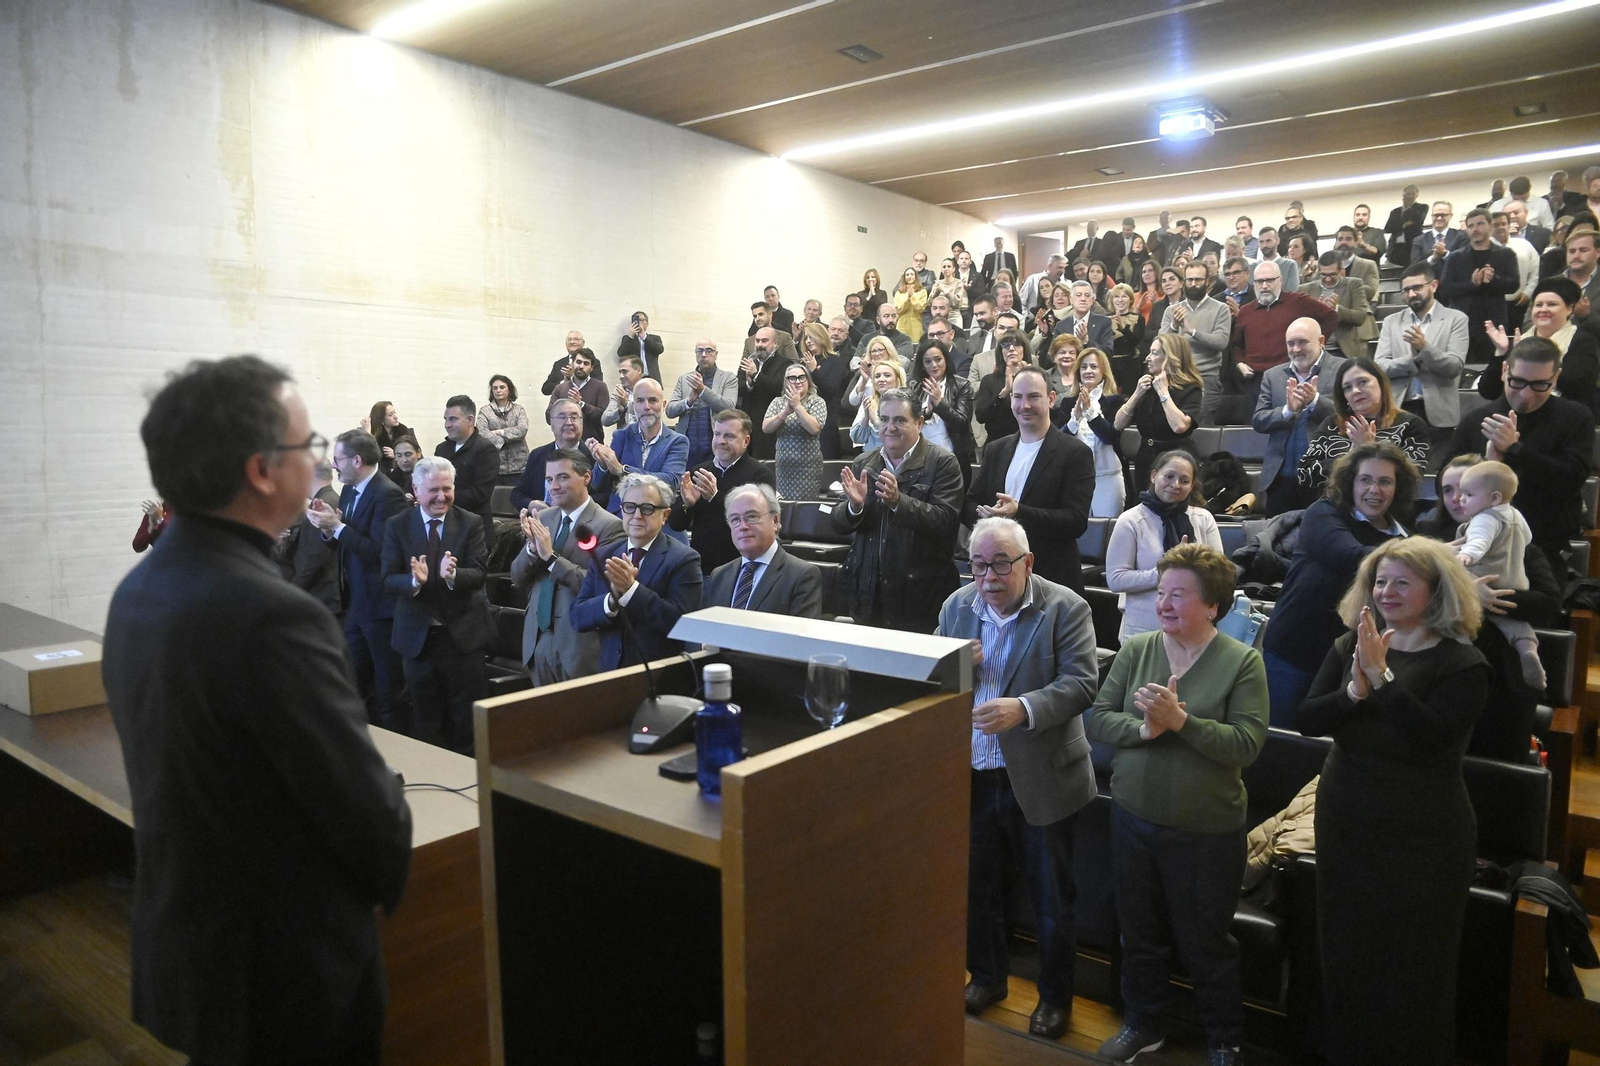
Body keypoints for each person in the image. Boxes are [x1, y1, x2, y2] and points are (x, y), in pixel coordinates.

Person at [103, 354, 411, 1066]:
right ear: (262, 471)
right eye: (307, 449)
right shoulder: (272, 615)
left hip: (191, 944)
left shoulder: (139, 589)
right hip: (281, 972)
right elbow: (372, 826)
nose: (319, 467)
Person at [1295, 537, 1488, 1066]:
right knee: (1345, 955)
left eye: (1403, 581)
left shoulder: (1462, 663)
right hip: (1348, 819)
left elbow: (1431, 741)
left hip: (1423, 833)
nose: (1387, 591)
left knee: (1414, 967)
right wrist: (1353, 691)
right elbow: (1307, 719)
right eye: (1380, 581)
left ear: (1435, 591)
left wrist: (1380, 678)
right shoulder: (1347, 647)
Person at [1084, 544, 1267, 1066]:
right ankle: (1144, 1025)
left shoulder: (1241, 661)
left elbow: (1247, 744)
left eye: (1178, 594)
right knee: (1138, 935)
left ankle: (1224, 1039)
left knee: (1206, 944)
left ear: (1213, 605)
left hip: (1205, 831)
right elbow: (1097, 718)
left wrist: (1182, 722)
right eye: (1161, 592)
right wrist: (1146, 728)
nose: (1164, 603)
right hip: (1133, 818)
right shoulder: (1139, 648)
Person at [938, 517, 1099, 1040]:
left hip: (1041, 775)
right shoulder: (955, 607)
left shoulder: (1066, 607)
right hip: (974, 771)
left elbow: (1081, 683)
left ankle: (1055, 999)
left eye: (1000, 564)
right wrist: (958, 665)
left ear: (1028, 563)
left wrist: (1024, 708)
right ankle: (987, 978)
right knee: (976, 888)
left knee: (1052, 897)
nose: (987, 576)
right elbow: (932, 671)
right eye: (978, 564)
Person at [1418, 453, 1562, 760]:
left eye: (1465, 488)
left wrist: (1487, 598)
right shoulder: (1427, 542)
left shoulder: (1518, 542)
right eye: (1447, 490)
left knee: (1496, 769)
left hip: (1502, 677)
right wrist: (1465, 591)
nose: (1457, 498)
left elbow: (1548, 603)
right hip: (1438, 671)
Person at [1262, 442, 1419, 722]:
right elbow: (1351, 555)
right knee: (1279, 744)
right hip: (1292, 652)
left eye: (1385, 482)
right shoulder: (1323, 512)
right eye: (1365, 480)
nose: (1374, 490)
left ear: (1398, 488)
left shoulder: (1404, 536)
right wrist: (1420, 555)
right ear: (1350, 482)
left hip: (1347, 663)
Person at [1445, 336, 1595, 573]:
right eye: (1518, 382)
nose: (1526, 394)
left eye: (1540, 385)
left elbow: (1570, 481)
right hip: (1477, 546)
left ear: (1555, 378)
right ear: (1505, 370)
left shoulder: (1575, 418)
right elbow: (1446, 485)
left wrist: (1515, 450)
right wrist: (1487, 466)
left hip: (1543, 546)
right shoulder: (1476, 421)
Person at [382, 456, 493, 755]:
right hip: (417, 639)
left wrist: (454, 576)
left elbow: (480, 571)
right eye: (433, 490)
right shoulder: (397, 525)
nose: (441, 496)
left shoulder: (470, 522)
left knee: (466, 720)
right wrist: (414, 583)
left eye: (447, 488)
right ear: (416, 490)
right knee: (425, 718)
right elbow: (389, 578)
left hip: (462, 637)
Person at [833, 388, 963, 631]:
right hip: (869, 592)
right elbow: (838, 523)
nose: (890, 427)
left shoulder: (943, 463)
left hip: (920, 596)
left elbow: (946, 521)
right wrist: (854, 506)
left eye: (900, 420)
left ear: (920, 423)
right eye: (884, 419)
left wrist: (898, 503)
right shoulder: (864, 462)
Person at [309, 428, 410, 730]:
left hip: (381, 608)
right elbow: (345, 543)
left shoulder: (388, 494)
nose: (335, 467)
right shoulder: (351, 490)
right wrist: (329, 529)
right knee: (354, 685)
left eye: (338, 460)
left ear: (356, 460)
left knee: (387, 689)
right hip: (355, 603)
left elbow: (381, 552)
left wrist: (337, 527)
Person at [965, 367, 1096, 592]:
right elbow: (968, 505)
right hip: (998, 576)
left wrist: (1018, 512)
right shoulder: (996, 449)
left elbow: (1075, 521)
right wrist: (987, 517)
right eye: (1018, 397)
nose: (1024, 405)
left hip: (1051, 579)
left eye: (1033, 397)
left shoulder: (1075, 453)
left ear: (1051, 399)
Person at [511, 448, 625, 686]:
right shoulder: (543, 519)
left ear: (586, 477)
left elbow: (600, 588)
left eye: (562, 477)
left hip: (578, 644)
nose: (554, 486)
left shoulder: (610, 526)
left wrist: (551, 557)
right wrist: (532, 550)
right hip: (538, 640)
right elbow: (517, 577)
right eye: (549, 479)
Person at [570, 473, 704, 670]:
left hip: (659, 676)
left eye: (647, 508)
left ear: (665, 515)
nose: (637, 516)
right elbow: (577, 616)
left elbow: (680, 623)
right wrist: (612, 599)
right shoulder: (604, 555)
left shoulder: (684, 559)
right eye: (630, 507)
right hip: (609, 674)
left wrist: (632, 590)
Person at [1106, 451, 1224, 639]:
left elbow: (1219, 573)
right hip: (1143, 629)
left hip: (1194, 625)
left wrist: (1193, 567)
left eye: (1184, 481)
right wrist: (1167, 571)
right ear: (1154, 476)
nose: (1175, 485)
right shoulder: (1131, 520)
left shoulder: (1203, 519)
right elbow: (1116, 579)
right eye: (1169, 476)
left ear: (1192, 485)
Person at [1450, 460, 1545, 688]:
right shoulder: (1515, 515)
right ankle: (1528, 650)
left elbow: (1478, 542)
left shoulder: (1484, 519)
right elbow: (1528, 538)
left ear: (1493, 498)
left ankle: (1462, 649)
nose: (1460, 498)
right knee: (1517, 626)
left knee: (1459, 618)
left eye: (1468, 494)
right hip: (1515, 583)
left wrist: (1467, 555)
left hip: (1485, 580)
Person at [1296, 357, 1429, 499]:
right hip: (1335, 509)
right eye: (1347, 387)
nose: (1355, 391)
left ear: (1381, 384)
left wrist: (1370, 450)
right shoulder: (1332, 424)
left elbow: (1412, 479)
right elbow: (1304, 474)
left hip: (1388, 511)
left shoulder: (1410, 424)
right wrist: (1352, 454)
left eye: (1363, 382)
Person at [1374, 263, 1470, 460]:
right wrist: (1413, 362)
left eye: (1417, 288)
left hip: (1438, 411)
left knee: (1433, 475)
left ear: (1433, 286)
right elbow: (1380, 366)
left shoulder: (1456, 319)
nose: (1411, 294)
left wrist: (1424, 348)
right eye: (1406, 290)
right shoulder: (1392, 321)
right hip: (1399, 408)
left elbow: (1454, 366)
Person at [1254, 318, 1344, 516]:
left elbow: (1349, 415)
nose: (1295, 349)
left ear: (1321, 341)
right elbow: (1259, 420)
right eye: (1290, 343)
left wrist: (1315, 402)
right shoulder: (1272, 375)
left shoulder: (1343, 370)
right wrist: (1287, 410)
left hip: (1326, 478)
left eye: (1302, 342)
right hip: (1280, 479)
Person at [668, 409, 775, 574]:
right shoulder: (699, 471)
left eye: (729, 436)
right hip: (702, 569)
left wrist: (715, 497)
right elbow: (676, 524)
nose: (721, 441)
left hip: (741, 569)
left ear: (746, 441)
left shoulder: (760, 474)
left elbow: (756, 525)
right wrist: (687, 505)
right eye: (717, 434)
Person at [703, 483, 823, 617]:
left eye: (752, 516)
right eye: (735, 519)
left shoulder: (801, 576)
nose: (742, 526)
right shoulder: (719, 575)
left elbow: (800, 636)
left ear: (775, 521)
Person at [1483, 277, 1599, 415]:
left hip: (1565, 418)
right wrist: (1501, 352)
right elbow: (1488, 391)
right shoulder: (1520, 341)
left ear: (1569, 309)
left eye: (1552, 304)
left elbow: (1579, 386)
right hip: (1515, 417)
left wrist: (1529, 360)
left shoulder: (1582, 340)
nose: (1543, 309)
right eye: (1538, 305)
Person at [589, 378, 690, 518]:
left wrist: (622, 469)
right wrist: (602, 464)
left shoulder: (677, 441)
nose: (646, 407)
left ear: (664, 404)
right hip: (622, 515)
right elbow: (596, 484)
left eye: (653, 400)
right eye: (640, 401)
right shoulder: (621, 436)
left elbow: (670, 480)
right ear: (633, 405)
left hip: (658, 516)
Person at [1113, 333, 1203, 490]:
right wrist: (1136, 394)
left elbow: (1179, 426)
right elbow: (1118, 424)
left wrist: (1163, 393)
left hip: (1177, 457)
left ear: (1170, 357)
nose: (1148, 357)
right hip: (1146, 456)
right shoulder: (1146, 385)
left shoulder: (1190, 387)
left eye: (1154, 353)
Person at [1439, 208, 1520, 369]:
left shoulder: (1506, 254)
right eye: (1470, 226)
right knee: (1461, 368)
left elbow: (1514, 285)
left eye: (1480, 224)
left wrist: (1492, 279)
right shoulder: (1456, 256)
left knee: (1494, 366)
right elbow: (1446, 288)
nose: (1475, 229)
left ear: (1490, 226)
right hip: (1463, 322)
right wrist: (1472, 284)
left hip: (1494, 321)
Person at [1159, 264, 1232, 422]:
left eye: (1198, 280)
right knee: (1173, 423)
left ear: (1207, 281)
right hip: (1176, 377)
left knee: (1202, 426)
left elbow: (1221, 341)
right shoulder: (1171, 311)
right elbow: (1161, 343)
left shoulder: (1221, 309)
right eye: (1189, 279)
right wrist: (1174, 326)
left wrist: (1192, 331)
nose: (1193, 284)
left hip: (1205, 377)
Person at [1060, 348, 1126, 517]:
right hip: (1076, 480)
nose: (1088, 371)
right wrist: (1074, 419)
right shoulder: (1068, 402)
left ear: (1103, 371)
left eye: (1093, 367)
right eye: (1084, 367)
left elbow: (1111, 437)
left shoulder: (1115, 401)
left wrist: (1090, 413)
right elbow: (1059, 442)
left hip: (1107, 478)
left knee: (1106, 532)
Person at [274, 458, 341, 616]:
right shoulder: (331, 499)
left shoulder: (320, 505)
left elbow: (312, 559)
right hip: (322, 594)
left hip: (322, 596)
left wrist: (290, 592)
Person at [911, 337, 976, 485]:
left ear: (946, 359)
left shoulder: (962, 385)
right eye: (927, 361)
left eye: (938, 359)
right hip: (922, 458)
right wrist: (926, 413)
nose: (934, 365)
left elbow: (962, 422)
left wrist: (940, 404)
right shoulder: (915, 388)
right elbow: (910, 422)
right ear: (922, 364)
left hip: (953, 456)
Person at [435, 394, 499, 546]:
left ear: (470, 420)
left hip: (474, 530)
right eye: (446, 419)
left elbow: (480, 494)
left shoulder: (485, 450)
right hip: (445, 525)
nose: (447, 425)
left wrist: (441, 498)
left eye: (453, 419)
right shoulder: (442, 449)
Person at [667, 337, 740, 467]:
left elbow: (729, 406)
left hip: (715, 448)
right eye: (699, 351)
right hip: (687, 448)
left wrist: (703, 391)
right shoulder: (684, 379)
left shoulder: (729, 378)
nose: (704, 355)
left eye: (709, 351)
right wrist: (688, 401)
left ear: (716, 355)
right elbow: (670, 410)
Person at [513, 398, 592, 514]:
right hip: (541, 521)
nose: (569, 422)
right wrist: (531, 504)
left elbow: (606, 496)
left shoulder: (594, 456)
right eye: (562, 417)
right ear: (552, 424)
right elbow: (517, 494)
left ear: (582, 423)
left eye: (574, 417)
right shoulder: (537, 455)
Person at [764, 361, 828, 499]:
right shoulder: (778, 402)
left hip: (808, 466)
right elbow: (766, 428)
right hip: (783, 466)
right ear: (786, 382)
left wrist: (797, 406)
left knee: (805, 508)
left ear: (808, 380)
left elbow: (814, 429)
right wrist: (785, 412)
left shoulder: (817, 401)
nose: (797, 381)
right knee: (783, 505)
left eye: (801, 377)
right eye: (792, 378)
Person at [1301, 252, 1377, 362]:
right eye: (1323, 275)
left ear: (1341, 271)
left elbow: (1360, 316)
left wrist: (1336, 309)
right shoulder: (1305, 289)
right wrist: (1317, 311)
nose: (1327, 279)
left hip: (1345, 349)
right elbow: (1299, 321)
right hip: (1316, 350)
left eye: (1332, 274)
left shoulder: (1354, 284)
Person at [740, 326, 797, 460]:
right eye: (757, 341)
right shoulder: (749, 361)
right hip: (749, 420)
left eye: (764, 341)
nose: (760, 345)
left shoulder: (784, 363)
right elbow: (738, 387)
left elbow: (778, 388)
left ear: (775, 344)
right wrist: (748, 383)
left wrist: (756, 375)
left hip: (771, 421)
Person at [974, 330, 1030, 444]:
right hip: (997, 443)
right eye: (1005, 345)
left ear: (1025, 349)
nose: (1011, 349)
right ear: (1000, 352)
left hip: (1029, 440)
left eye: (1017, 344)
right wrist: (1003, 393)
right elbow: (981, 416)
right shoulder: (989, 380)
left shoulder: (1037, 377)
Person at [549, 347, 609, 442]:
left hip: (592, 446)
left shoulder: (600, 387)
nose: (581, 366)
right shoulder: (560, 388)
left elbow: (603, 417)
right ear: (572, 364)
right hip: (564, 445)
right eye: (578, 362)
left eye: (586, 363)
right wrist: (564, 410)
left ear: (592, 368)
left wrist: (581, 404)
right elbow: (549, 416)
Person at [850, 356, 908, 453]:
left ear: (897, 380)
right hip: (873, 457)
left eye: (887, 375)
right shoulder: (871, 402)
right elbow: (858, 438)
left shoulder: (906, 404)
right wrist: (866, 417)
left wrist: (876, 422)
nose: (881, 379)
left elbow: (898, 436)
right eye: (877, 376)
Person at [477, 374, 529, 476]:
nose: (498, 390)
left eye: (502, 387)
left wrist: (500, 432)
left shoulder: (519, 409)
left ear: (509, 389)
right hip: (495, 464)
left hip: (519, 465)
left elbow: (522, 429)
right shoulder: (485, 411)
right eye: (495, 388)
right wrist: (502, 441)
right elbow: (482, 433)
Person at [540, 330, 602, 396]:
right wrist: (564, 382)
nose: (572, 342)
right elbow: (545, 389)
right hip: (561, 403)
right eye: (569, 339)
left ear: (583, 343)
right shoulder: (559, 364)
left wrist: (574, 378)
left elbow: (597, 387)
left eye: (576, 339)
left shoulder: (592, 362)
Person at [1383, 185, 1427, 268]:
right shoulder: (1395, 212)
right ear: (1403, 194)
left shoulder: (1422, 207)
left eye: (1412, 194)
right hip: (1396, 248)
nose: (1410, 196)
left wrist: (1408, 207)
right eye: (1408, 194)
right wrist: (1405, 224)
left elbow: (1418, 219)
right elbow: (1388, 228)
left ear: (1417, 195)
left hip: (1412, 246)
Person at [365, 400, 410, 476]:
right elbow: (369, 456)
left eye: (394, 412)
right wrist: (367, 433)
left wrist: (397, 455)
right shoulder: (374, 434)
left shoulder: (403, 431)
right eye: (390, 415)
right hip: (380, 474)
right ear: (382, 420)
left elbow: (414, 453)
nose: (396, 417)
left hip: (402, 473)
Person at [616, 310, 663, 381]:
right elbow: (621, 353)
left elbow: (659, 350)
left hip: (651, 378)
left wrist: (644, 337)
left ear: (647, 323)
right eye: (636, 320)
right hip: (633, 379)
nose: (638, 322)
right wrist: (630, 336)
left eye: (641, 320)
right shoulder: (628, 338)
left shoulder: (655, 338)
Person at [602, 355, 645, 430]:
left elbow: (647, 416)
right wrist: (620, 411)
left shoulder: (650, 389)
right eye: (620, 372)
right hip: (624, 439)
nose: (621, 376)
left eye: (625, 372)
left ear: (638, 370)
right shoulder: (619, 391)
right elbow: (605, 420)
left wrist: (627, 404)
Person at [893, 267, 929, 343]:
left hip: (916, 322)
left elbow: (920, 308)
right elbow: (898, 310)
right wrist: (908, 299)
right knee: (900, 344)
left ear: (915, 276)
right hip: (902, 323)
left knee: (915, 345)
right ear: (904, 277)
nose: (909, 276)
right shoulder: (898, 293)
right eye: (907, 275)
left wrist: (913, 296)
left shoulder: (922, 291)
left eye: (912, 274)